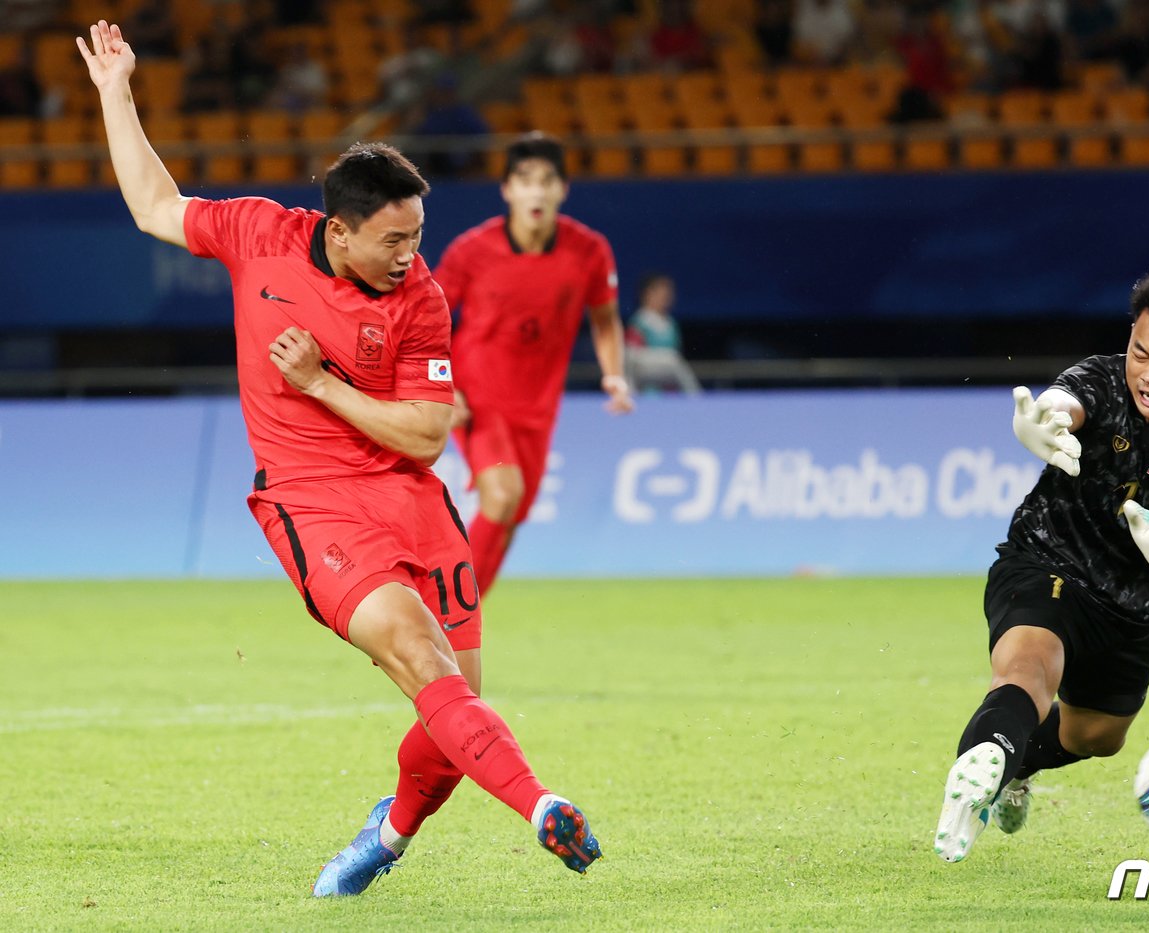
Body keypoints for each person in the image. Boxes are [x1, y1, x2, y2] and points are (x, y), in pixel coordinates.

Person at [77, 20, 601, 896]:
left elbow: (426, 435)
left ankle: (387, 834)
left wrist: (321, 385)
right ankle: (543, 804)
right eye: (395, 240)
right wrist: (115, 93)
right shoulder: (259, 236)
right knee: (423, 663)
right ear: (340, 230)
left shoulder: (421, 296)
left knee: (451, 717)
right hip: (311, 503)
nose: (411, 254)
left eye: (418, 235)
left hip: (413, 502)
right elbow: (154, 208)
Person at [933, 261, 1149, 863]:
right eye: (1140, 353)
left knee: (1097, 736)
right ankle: (978, 768)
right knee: (1028, 671)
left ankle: (1013, 764)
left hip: (1129, 602)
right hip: (1045, 557)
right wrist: (1043, 421)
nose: (1148, 375)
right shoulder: (1103, 380)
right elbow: (1064, 402)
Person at [433, 132, 634, 600]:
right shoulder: (471, 250)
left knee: (511, 514)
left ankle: (459, 616)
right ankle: (444, 610)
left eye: (547, 181)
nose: (537, 192)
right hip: (477, 396)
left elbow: (605, 322)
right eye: (525, 181)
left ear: (563, 189)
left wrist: (615, 375)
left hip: (537, 407)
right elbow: (429, 320)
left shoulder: (589, 250)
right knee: (502, 496)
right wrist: (441, 386)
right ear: (506, 189)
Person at [626, 273, 702, 396]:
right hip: (644, 375)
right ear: (648, 294)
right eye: (662, 293)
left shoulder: (671, 324)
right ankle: (696, 399)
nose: (667, 297)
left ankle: (692, 398)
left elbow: (677, 353)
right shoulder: (639, 322)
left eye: (669, 293)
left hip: (668, 381)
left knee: (676, 363)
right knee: (673, 361)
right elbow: (631, 357)